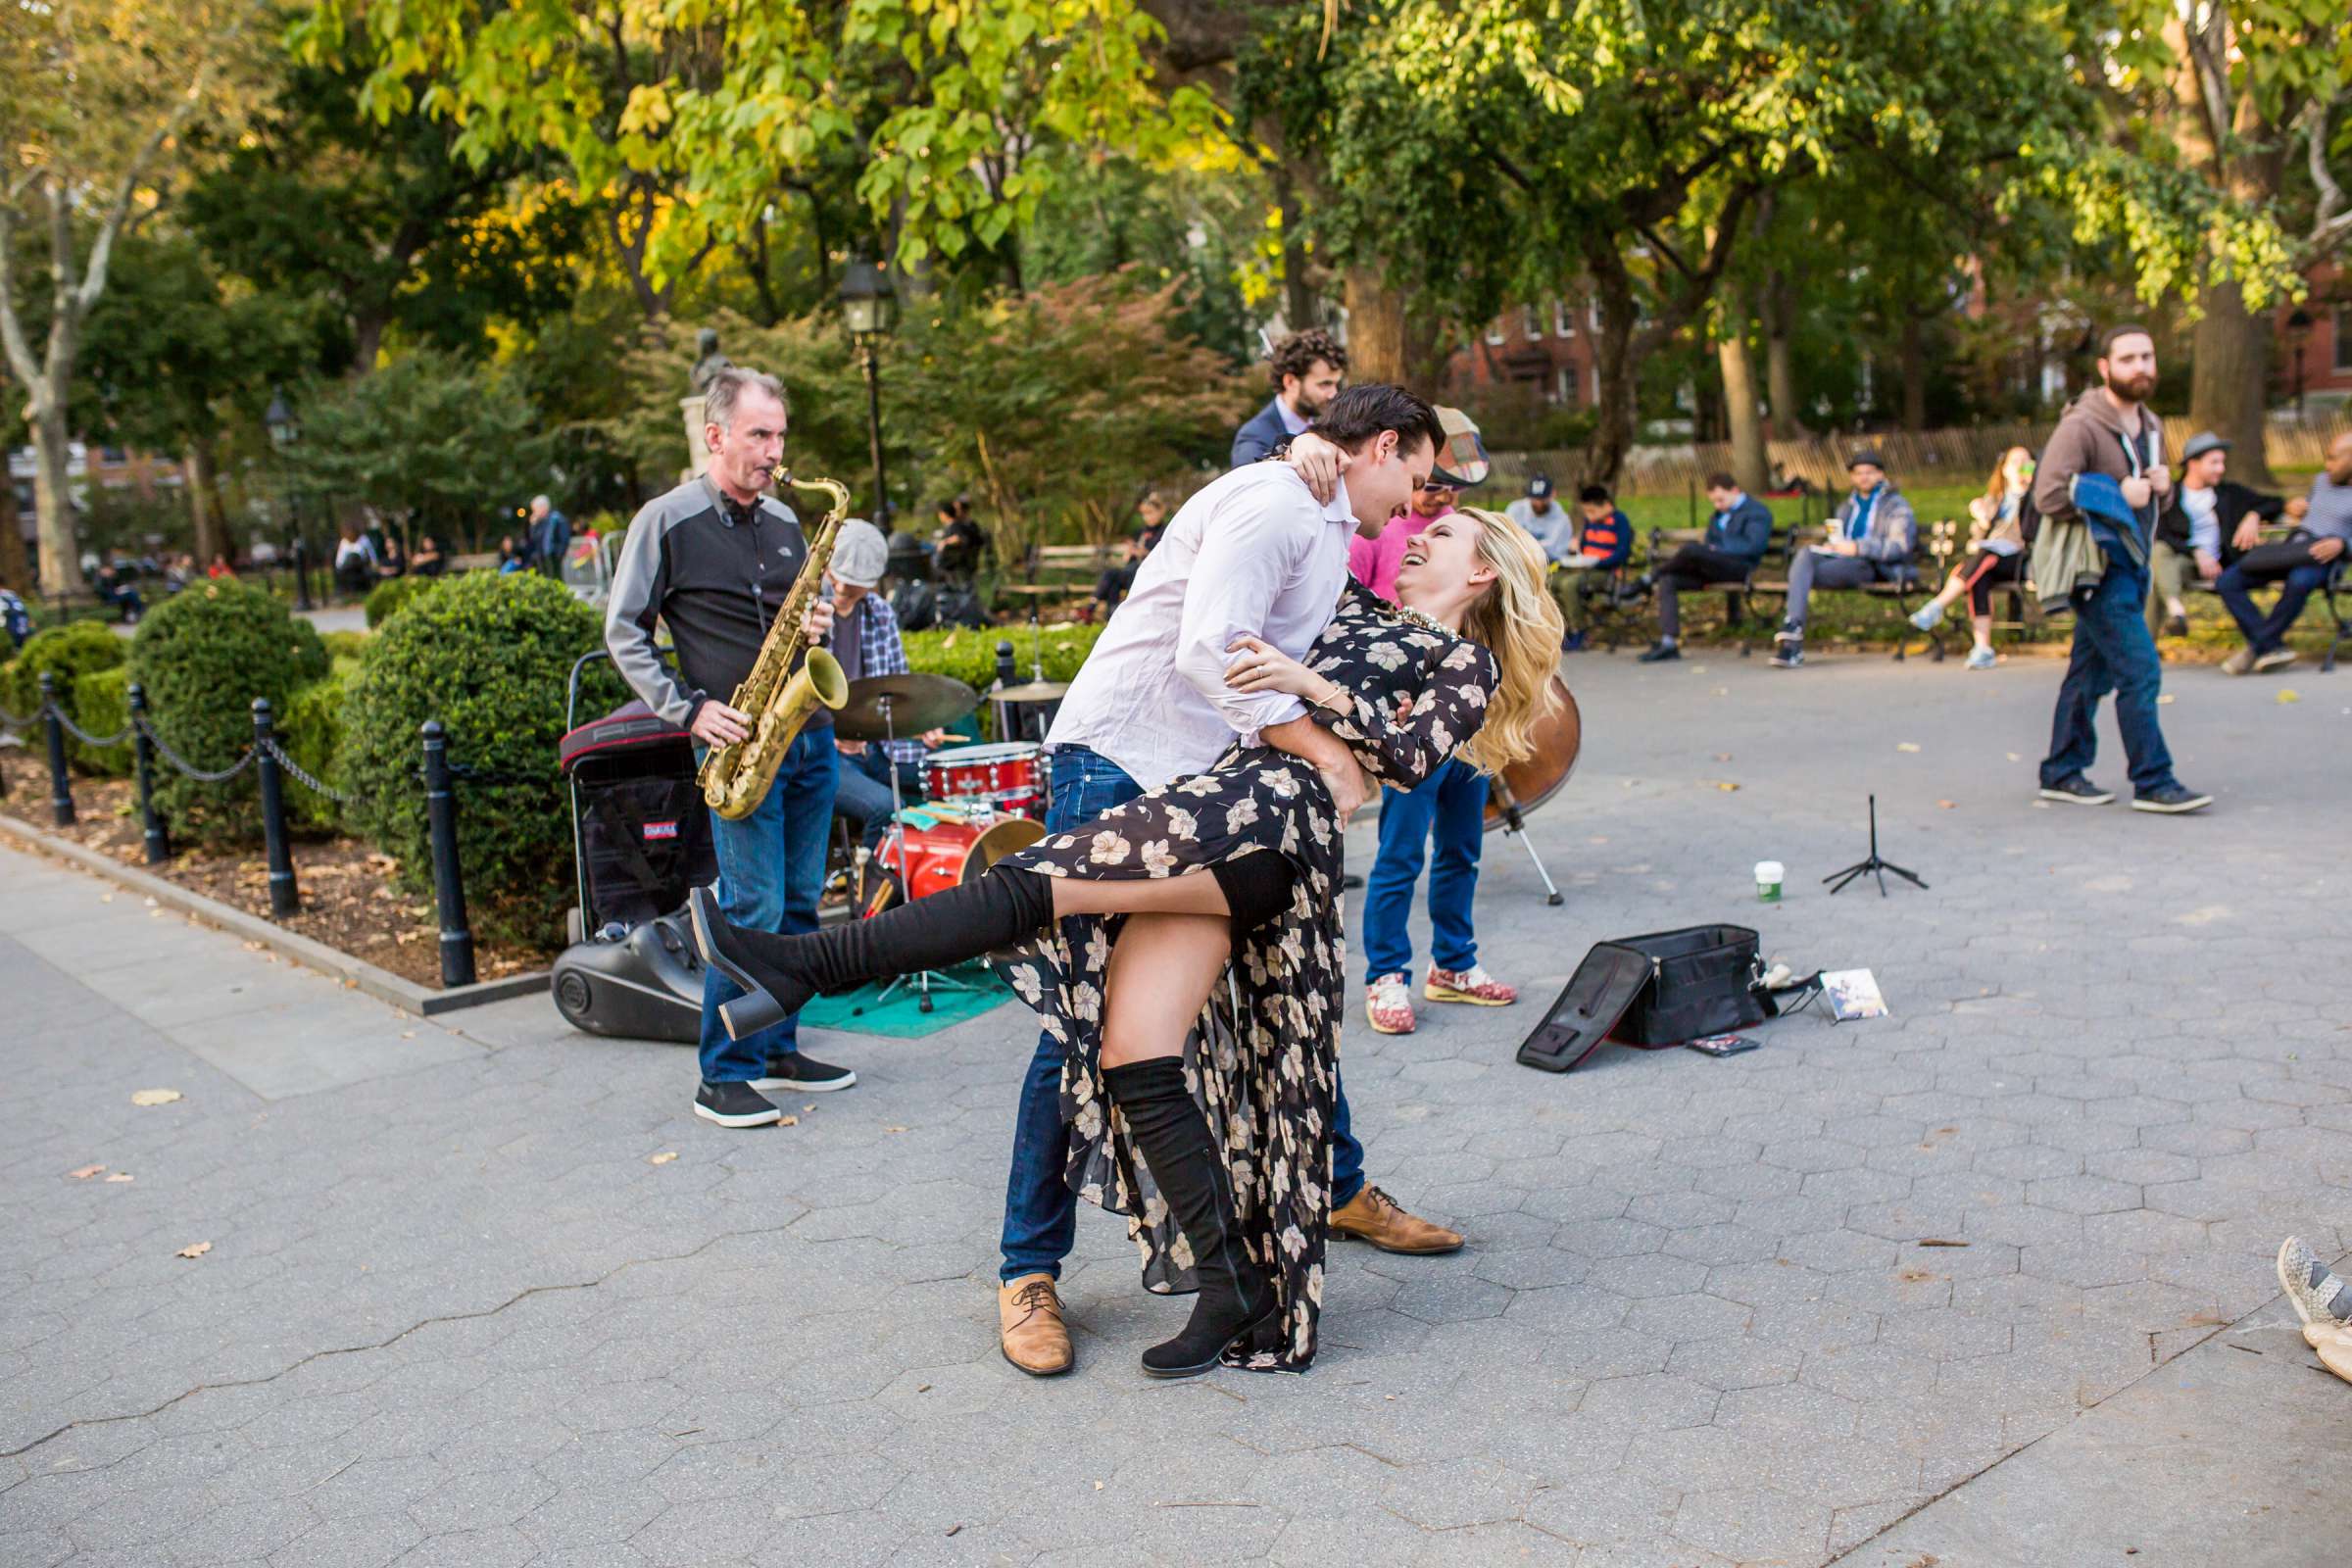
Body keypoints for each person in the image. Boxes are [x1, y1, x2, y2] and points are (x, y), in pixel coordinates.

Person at [688, 496, 1561, 1379]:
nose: (1416, 540)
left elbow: (1409, 760)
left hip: (1270, 827)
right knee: (1132, 1053)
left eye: (1442, 537)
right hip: (1226, 803)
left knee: (1035, 883)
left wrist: (1310, 688)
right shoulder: (1350, 605)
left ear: (1482, 572)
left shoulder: (1462, 662)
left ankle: (805, 965)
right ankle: (1232, 1289)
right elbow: (1263, 564)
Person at [858, 385, 1455, 1377]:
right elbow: (1208, 651)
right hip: (1127, 765)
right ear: (1385, 446)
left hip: (1204, 787)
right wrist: (1316, 748)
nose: (1417, 502)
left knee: (1283, 990)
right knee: (1082, 1024)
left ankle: (1335, 1185)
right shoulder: (1277, 504)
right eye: (1417, 475)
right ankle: (1026, 1268)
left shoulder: (1313, 512)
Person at [605, 365, 848, 1128]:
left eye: (780, 434)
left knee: (804, 905)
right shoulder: (666, 519)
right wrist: (688, 710)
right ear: (716, 436)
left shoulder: (783, 522)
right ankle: (724, 1073)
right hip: (738, 746)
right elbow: (624, 634)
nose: (776, 451)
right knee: (751, 909)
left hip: (806, 738)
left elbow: (801, 617)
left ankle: (779, 1048)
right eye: (759, 435)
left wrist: (817, 627)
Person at [2029, 324, 2210, 814]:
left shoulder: (2151, 425)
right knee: (2140, 671)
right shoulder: (2081, 426)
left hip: (2133, 562)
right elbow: (2047, 493)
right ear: (2105, 368)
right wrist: (2116, 491)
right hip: (2096, 568)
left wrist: (2164, 485)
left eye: (2147, 357)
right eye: (2128, 358)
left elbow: (2155, 500)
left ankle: (2062, 771)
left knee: (2088, 676)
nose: (2141, 367)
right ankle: (2153, 780)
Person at [824, 517, 948, 849]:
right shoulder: (806, 614)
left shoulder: (879, 612)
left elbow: (898, 686)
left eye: (854, 585)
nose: (840, 590)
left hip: (876, 747)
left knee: (947, 783)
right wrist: (832, 733)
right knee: (886, 809)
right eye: (836, 578)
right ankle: (875, 897)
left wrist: (920, 722)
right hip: (822, 753)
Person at [2214, 428, 2349, 675]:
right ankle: (2270, 646)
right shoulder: (2321, 480)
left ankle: (2256, 648)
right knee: (2228, 581)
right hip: (2293, 548)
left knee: (2300, 581)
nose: (2326, 464)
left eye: (2333, 458)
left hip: (2323, 558)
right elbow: (2307, 511)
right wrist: (2294, 509)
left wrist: (2343, 544)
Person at [1769, 453, 1918, 668]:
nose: (1864, 478)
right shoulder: (1846, 507)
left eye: (1869, 472)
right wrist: (1832, 546)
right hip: (1840, 562)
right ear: (1852, 477)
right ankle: (1793, 630)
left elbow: (1899, 546)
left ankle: (1791, 639)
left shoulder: (1896, 505)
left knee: (1801, 575)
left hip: (1871, 565)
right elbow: (1838, 539)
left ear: (1880, 474)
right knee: (1806, 554)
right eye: (1858, 473)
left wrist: (1858, 547)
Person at [2141, 433, 2293, 643]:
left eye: (2222, 462)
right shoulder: (2172, 496)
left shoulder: (2229, 494)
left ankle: (2154, 637)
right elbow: (2160, 533)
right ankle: (2174, 608)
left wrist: (2253, 515)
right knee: (2158, 553)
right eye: (2214, 463)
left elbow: (2276, 502)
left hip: (2220, 567)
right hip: (2181, 564)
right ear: (2193, 463)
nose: (2221, 469)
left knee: (2154, 574)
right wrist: (2196, 551)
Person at [1906, 447, 2037, 669]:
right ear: (2004, 470)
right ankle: (1983, 648)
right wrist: (1981, 516)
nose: (2021, 465)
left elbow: (2029, 532)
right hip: (1990, 558)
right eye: (2015, 461)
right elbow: (1982, 534)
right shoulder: (1995, 500)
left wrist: (2028, 487)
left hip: (2019, 558)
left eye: (2026, 461)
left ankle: (1938, 605)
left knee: (1985, 556)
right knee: (1980, 577)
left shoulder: (2036, 497)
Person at [1637, 471, 1772, 662]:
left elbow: (1753, 546)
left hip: (1740, 569)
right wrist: (1710, 551)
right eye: (1714, 502)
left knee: (1692, 549)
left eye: (1720, 499)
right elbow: (1709, 545)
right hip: (1714, 569)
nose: (1717, 505)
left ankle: (1649, 577)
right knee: (1669, 580)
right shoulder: (1718, 515)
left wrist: (1718, 550)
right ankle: (1669, 643)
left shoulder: (1757, 512)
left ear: (1734, 490)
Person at [1230, 327, 1348, 466]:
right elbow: (1254, 481)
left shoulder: (1329, 425)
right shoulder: (1254, 437)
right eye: (1324, 384)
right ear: (1290, 382)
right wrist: (1289, 453)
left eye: (1335, 384)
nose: (1333, 394)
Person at [1545, 483, 1634, 652]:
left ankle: (1580, 630)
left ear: (1606, 505)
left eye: (1592, 511)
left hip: (1606, 572)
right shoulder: (1590, 522)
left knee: (1569, 584)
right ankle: (1563, 628)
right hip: (1585, 569)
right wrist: (1576, 549)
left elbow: (1622, 553)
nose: (1589, 516)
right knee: (1551, 580)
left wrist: (1599, 562)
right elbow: (1584, 548)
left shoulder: (1619, 521)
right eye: (1586, 512)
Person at [1090, 492, 1168, 615]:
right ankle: (1111, 616)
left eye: (1150, 513)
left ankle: (1092, 608)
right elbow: (1127, 558)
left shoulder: (1165, 531)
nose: (1147, 518)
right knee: (1113, 582)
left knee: (1112, 576)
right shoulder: (1140, 532)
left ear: (1160, 512)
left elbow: (1160, 555)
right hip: (1131, 570)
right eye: (1144, 514)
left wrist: (1142, 552)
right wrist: (1130, 551)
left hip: (1148, 572)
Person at [529, 495, 570, 580]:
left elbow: (564, 538)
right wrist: (533, 525)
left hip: (554, 554)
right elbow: (534, 538)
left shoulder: (556, 518)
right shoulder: (540, 521)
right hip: (543, 555)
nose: (534, 512)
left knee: (556, 578)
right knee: (546, 579)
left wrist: (560, 553)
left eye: (535, 509)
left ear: (543, 507)